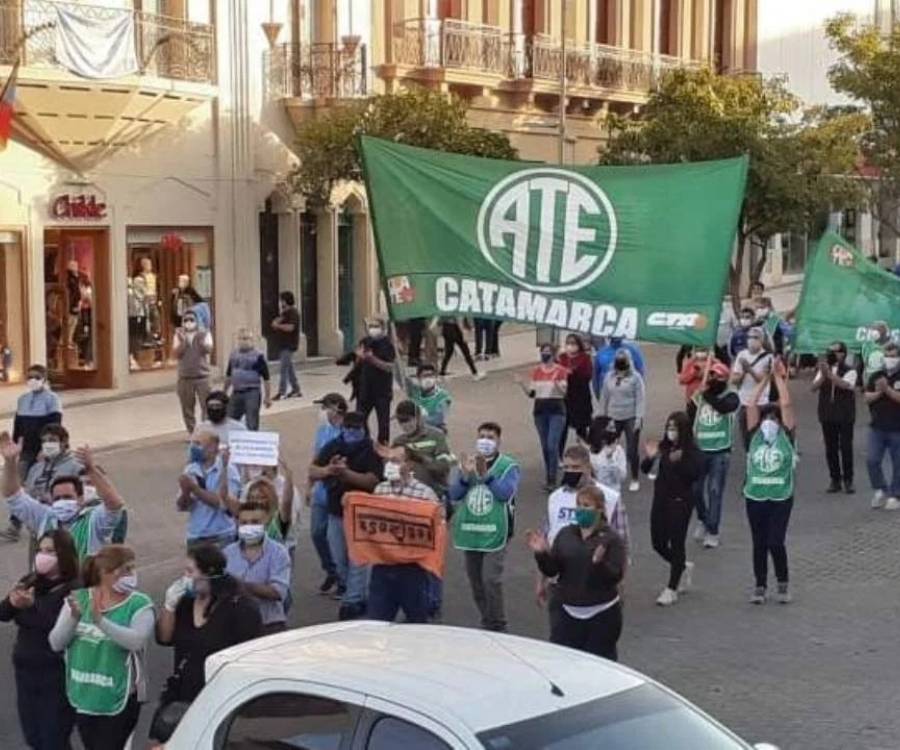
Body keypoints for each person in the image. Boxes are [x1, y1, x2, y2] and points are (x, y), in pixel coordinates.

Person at [49, 544, 155, 750]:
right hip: (85, 694)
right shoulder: (78, 599)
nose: (133, 575)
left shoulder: (140, 604)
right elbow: (56, 643)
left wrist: (101, 622)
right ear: (105, 573)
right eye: (126, 570)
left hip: (120, 696)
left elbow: (136, 641)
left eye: (134, 568)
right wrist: (74, 619)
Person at [155, 545, 262, 716]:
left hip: (220, 695)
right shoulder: (185, 603)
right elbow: (164, 638)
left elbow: (248, 655)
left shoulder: (240, 608)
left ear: (209, 573)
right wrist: (169, 606)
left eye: (190, 571)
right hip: (184, 695)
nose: (185, 578)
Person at [0, 529, 79, 750]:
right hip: (26, 670)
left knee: (53, 737)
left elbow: (59, 627)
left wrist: (30, 608)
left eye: (50, 551)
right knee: (33, 736)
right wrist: (13, 603)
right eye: (40, 550)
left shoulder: (74, 587)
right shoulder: (31, 580)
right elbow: (4, 613)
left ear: (63, 554)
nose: (43, 556)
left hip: (55, 674)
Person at [526, 484, 626, 660]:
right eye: (578, 505)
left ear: (600, 509)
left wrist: (598, 564)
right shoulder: (565, 535)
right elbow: (553, 570)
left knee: (599, 665)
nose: (580, 509)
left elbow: (615, 576)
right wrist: (541, 554)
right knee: (564, 663)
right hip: (567, 611)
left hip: (601, 613)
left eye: (586, 506)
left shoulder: (611, 539)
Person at [2, 436, 126, 561]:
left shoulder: (93, 521)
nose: (62, 502)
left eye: (67, 497)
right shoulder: (45, 517)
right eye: (57, 498)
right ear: (51, 500)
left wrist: (91, 469)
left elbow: (114, 505)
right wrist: (10, 462)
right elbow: (13, 495)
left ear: (80, 498)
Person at [309, 411, 382, 620]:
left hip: (362, 514)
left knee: (358, 559)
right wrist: (329, 470)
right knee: (340, 560)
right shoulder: (334, 445)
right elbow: (313, 470)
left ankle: (353, 603)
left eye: (356, 428)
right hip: (336, 512)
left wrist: (346, 473)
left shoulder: (370, 449)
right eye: (348, 428)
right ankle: (356, 593)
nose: (351, 432)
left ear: (363, 429)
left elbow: (373, 481)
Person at [449, 422, 520, 632]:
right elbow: (453, 495)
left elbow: (505, 493)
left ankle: (498, 623)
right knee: (475, 580)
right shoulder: (469, 463)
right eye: (482, 436)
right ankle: (486, 619)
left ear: (499, 441)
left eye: (490, 437)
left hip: (495, 531)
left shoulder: (509, 466)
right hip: (472, 530)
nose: (485, 441)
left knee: (490, 579)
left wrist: (486, 475)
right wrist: (464, 476)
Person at [368, 447, 441, 623]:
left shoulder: (424, 493)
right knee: (377, 623)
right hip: (383, 566)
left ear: (408, 464)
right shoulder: (380, 490)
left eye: (396, 461)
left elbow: (436, 527)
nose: (390, 465)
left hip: (412, 569)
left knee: (417, 624)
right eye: (388, 461)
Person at [744, 366, 797, 604]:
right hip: (755, 496)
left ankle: (783, 582)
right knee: (759, 542)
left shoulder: (786, 435)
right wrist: (763, 379)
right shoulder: (754, 434)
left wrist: (777, 377)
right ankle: (760, 584)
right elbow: (751, 404)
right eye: (766, 418)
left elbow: (785, 404)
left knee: (775, 540)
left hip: (780, 496)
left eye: (773, 419)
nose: (769, 423)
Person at [641, 412, 703, 606]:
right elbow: (645, 468)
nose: (671, 432)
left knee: (677, 542)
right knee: (657, 542)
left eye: (675, 428)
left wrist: (680, 462)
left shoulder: (692, 451)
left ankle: (672, 587)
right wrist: (650, 458)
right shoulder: (664, 447)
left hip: (680, 501)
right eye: (669, 427)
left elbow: (693, 475)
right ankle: (682, 565)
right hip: (661, 499)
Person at [222, 502, 291, 634]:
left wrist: (239, 585)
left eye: (255, 522)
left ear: (266, 522)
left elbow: (278, 592)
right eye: (244, 522)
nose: (249, 527)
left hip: (268, 624)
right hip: (235, 625)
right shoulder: (227, 553)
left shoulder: (278, 553)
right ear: (237, 523)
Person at [691, 362, 740, 549]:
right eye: (710, 376)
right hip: (700, 450)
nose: (712, 380)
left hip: (720, 452)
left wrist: (707, 394)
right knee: (695, 489)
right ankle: (703, 519)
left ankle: (713, 531)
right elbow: (691, 414)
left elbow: (723, 407)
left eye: (716, 377)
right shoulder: (702, 395)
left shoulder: (731, 397)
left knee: (714, 491)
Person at [308, 393, 346, 596]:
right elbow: (315, 459)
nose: (322, 412)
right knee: (316, 533)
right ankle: (331, 570)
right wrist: (309, 485)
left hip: (336, 493)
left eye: (326, 407)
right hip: (320, 492)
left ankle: (342, 578)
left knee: (336, 538)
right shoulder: (322, 430)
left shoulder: (346, 432)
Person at [176, 429, 241, 550]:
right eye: (193, 443)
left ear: (212, 447)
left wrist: (194, 489)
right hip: (196, 535)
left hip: (222, 536)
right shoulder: (191, 469)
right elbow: (182, 506)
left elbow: (223, 503)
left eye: (198, 443)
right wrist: (185, 492)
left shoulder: (228, 470)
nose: (194, 448)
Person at [516, 344, 568, 491]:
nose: (544, 355)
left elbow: (564, 393)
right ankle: (548, 476)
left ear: (553, 355)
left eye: (547, 352)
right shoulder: (537, 371)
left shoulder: (561, 371)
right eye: (542, 352)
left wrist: (556, 384)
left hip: (556, 411)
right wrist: (521, 384)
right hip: (540, 412)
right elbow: (532, 394)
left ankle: (552, 479)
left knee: (552, 445)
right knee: (545, 447)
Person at [812, 341, 857, 494]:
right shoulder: (824, 369)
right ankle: (835, 479)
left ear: (843, 353)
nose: (834, 354)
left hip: (845, 414)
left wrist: (830, 375)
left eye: (837, 351)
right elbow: (813, 388)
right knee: (830, 448)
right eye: (831, 351)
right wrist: (824, 375)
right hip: (827, 414)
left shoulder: (850, 370)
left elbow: (846, 385)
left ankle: (848, 480)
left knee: (845, 448)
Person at [599, 349, 646, 492]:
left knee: (632, 449)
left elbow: (640, 399)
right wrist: (602, 417)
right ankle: (610, 475)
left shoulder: (636, 378)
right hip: (613, 416)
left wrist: (639, 417)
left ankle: (634, 478)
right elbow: (604, 397)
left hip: (630, 416)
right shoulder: (609, 377)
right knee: (609, 448)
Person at [390, 400, 454, 498]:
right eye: (400, 421)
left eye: (407, 420)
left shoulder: (436, 436)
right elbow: (391, 470)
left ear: (418, 417)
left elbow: (444, 467)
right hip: (404, 493)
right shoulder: (398, 441)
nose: (404, 425)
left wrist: (419, 458)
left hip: (432, 493)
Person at [864, 341, 900, 510]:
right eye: (887, 356)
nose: (890, 359)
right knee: (872, 460)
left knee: (898, 463)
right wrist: (879, 391)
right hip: (877, 426)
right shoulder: (876, 375)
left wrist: (887, 390)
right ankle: (880, 489)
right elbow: (866, 397)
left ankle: (895, 495)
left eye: (893, 356)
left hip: (897, 428)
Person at [13, 364, 62, 476]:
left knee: (43, 481)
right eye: (30, 377)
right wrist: (16, 446)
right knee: (22, 479)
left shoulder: (52, 399)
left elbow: (55, 427)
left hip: (44, 448)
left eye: (37, 377)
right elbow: (18, 427)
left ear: (44, 379)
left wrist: (47, 450)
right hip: (26, 449)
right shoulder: (23, 399)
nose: (33, 380)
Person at [731, 327, 773, 449]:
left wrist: (749, 369)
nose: (751, 340)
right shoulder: (742, 355)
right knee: (746, 438)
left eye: (755, 337)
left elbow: (762, 379)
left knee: (759, 437)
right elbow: (734, 379)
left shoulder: (767, 357)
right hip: (744, 402)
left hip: (761, 403)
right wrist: (744, 371)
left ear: (762, 340)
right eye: (749, 337)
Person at [357, 316, 396, 445]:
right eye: (371, 326)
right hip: (365, 388)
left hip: (382, 390)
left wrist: (373, 359)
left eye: (376, 326)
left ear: (383, 328)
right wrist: (360, 357)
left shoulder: (388, 344)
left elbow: (390, 367)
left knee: (383, 424)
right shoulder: (365, 341)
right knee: (359, 420)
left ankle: (383, 448)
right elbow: (358, 363)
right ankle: (365, 443)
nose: (373, 329)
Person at [173, 309, 213, 434]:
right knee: (187, 408)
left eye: (191, 320)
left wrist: (198, 339)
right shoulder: (178, 335)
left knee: (206, 406)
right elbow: (176, 353)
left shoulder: (204, 333)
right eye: (186, 320)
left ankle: (205, 432)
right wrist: (184, 341)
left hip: (202, 377)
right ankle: (193, 433)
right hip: (185, 377)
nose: (189, 322)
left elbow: (208, 349)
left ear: (196, 321)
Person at [224, 328, 272, 432]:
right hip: (236, 392)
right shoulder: (233, 355)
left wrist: (268, 397)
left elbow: (266, 378)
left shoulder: (258, 356)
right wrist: (224, 392)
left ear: (252, 340)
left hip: (252, 392)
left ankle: (252, 443)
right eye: (241, 338)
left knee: (251, 421)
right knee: (230, 419)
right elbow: (228, 375)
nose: (243, 341)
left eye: (246, 338)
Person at [24, 424, 84, 501]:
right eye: (44, 441)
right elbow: (27, 494)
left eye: (52, 440)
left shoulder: (76, 467)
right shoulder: (35, 468)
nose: (47, 445)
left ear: (64, 442)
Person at [557, 333, 594, 456]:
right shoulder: (562, 358)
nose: (570, 346)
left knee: (581, 427)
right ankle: (559, 455)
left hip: (581, 397)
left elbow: (588, 375)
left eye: (573, 343)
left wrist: (573, 372)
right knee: (562, 428)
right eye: (568, 343)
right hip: (565, 397)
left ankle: (584, 453)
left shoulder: (585, 358)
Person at [400, 362, 452, 433]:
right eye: (425, 376)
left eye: (431, 376)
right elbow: (400, 376)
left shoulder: (443, 397)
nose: (428, 379)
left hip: (433, 432)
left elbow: (437, 419)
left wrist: (415, 420)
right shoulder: (414, 391)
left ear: (435, 377)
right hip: (414, 432)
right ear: (418, 378)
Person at [269, 291, 302, 400]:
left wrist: (278, 325)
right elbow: (277, 322)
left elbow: (291, 327)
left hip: (289, 344)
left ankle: (282, 392)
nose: (280, 302)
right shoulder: (285, 313)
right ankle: (296, 389)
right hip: (283, 344)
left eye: (281, 300)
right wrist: (276, 322)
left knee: (283, 369)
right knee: (289, 368)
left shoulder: (293, 313)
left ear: (285, 301)